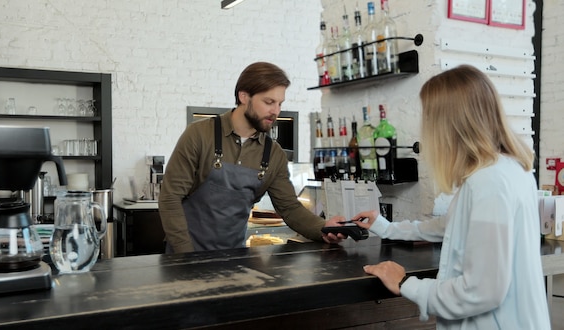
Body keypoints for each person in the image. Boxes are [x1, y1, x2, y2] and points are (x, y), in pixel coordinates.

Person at [351, 65, 551, 328]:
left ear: (449, 125)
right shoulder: (510, 169)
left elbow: (480, 291)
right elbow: (452, 225)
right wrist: (385, 227)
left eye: (429, 118)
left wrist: (406, 283)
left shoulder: (488, 183)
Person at [159, 62, 345, 253]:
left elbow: (289, 208)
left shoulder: (273, 154)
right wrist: (185, 255)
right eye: (269, 102)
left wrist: (323, 228)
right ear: (244, 96)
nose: (276, 111)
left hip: (234, 257)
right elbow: (170, 198)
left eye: (280, 103)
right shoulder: (199, 134)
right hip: (185, 255)